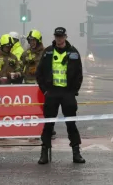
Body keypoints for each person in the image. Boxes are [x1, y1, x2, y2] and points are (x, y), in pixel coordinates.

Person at [35, 27, 85, 164]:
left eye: (61, 36)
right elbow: (39, 73)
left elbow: (79, 74)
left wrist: (74, 91)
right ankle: (44, 153)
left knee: (71, 124)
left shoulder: (73, 52)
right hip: (52, 92)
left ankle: (76, 153)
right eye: (57, 36)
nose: (59, 39)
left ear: (65, 37)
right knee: (48, 125)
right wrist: (45, 90)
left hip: (68, 93)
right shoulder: (48, 52)